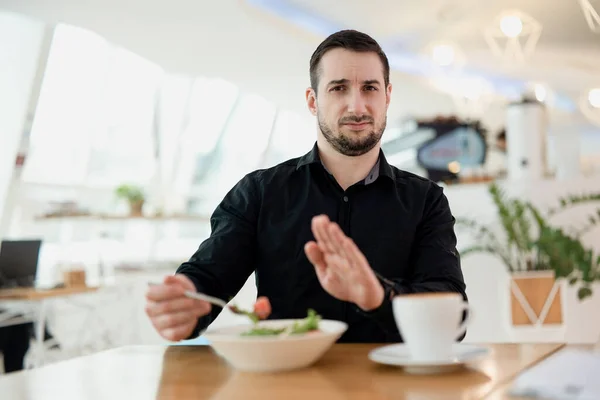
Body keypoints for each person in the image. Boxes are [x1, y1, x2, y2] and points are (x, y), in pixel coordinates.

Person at [145, 29, 467, 343]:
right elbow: (207, 279)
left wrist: (376, 296)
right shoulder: (259, 193)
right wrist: (183, 304)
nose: (357, 107)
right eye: (339, 88)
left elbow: (453, 316)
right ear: (312, 101)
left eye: (369, 88)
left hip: (393, 389)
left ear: (387, 96)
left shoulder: (426, 200)